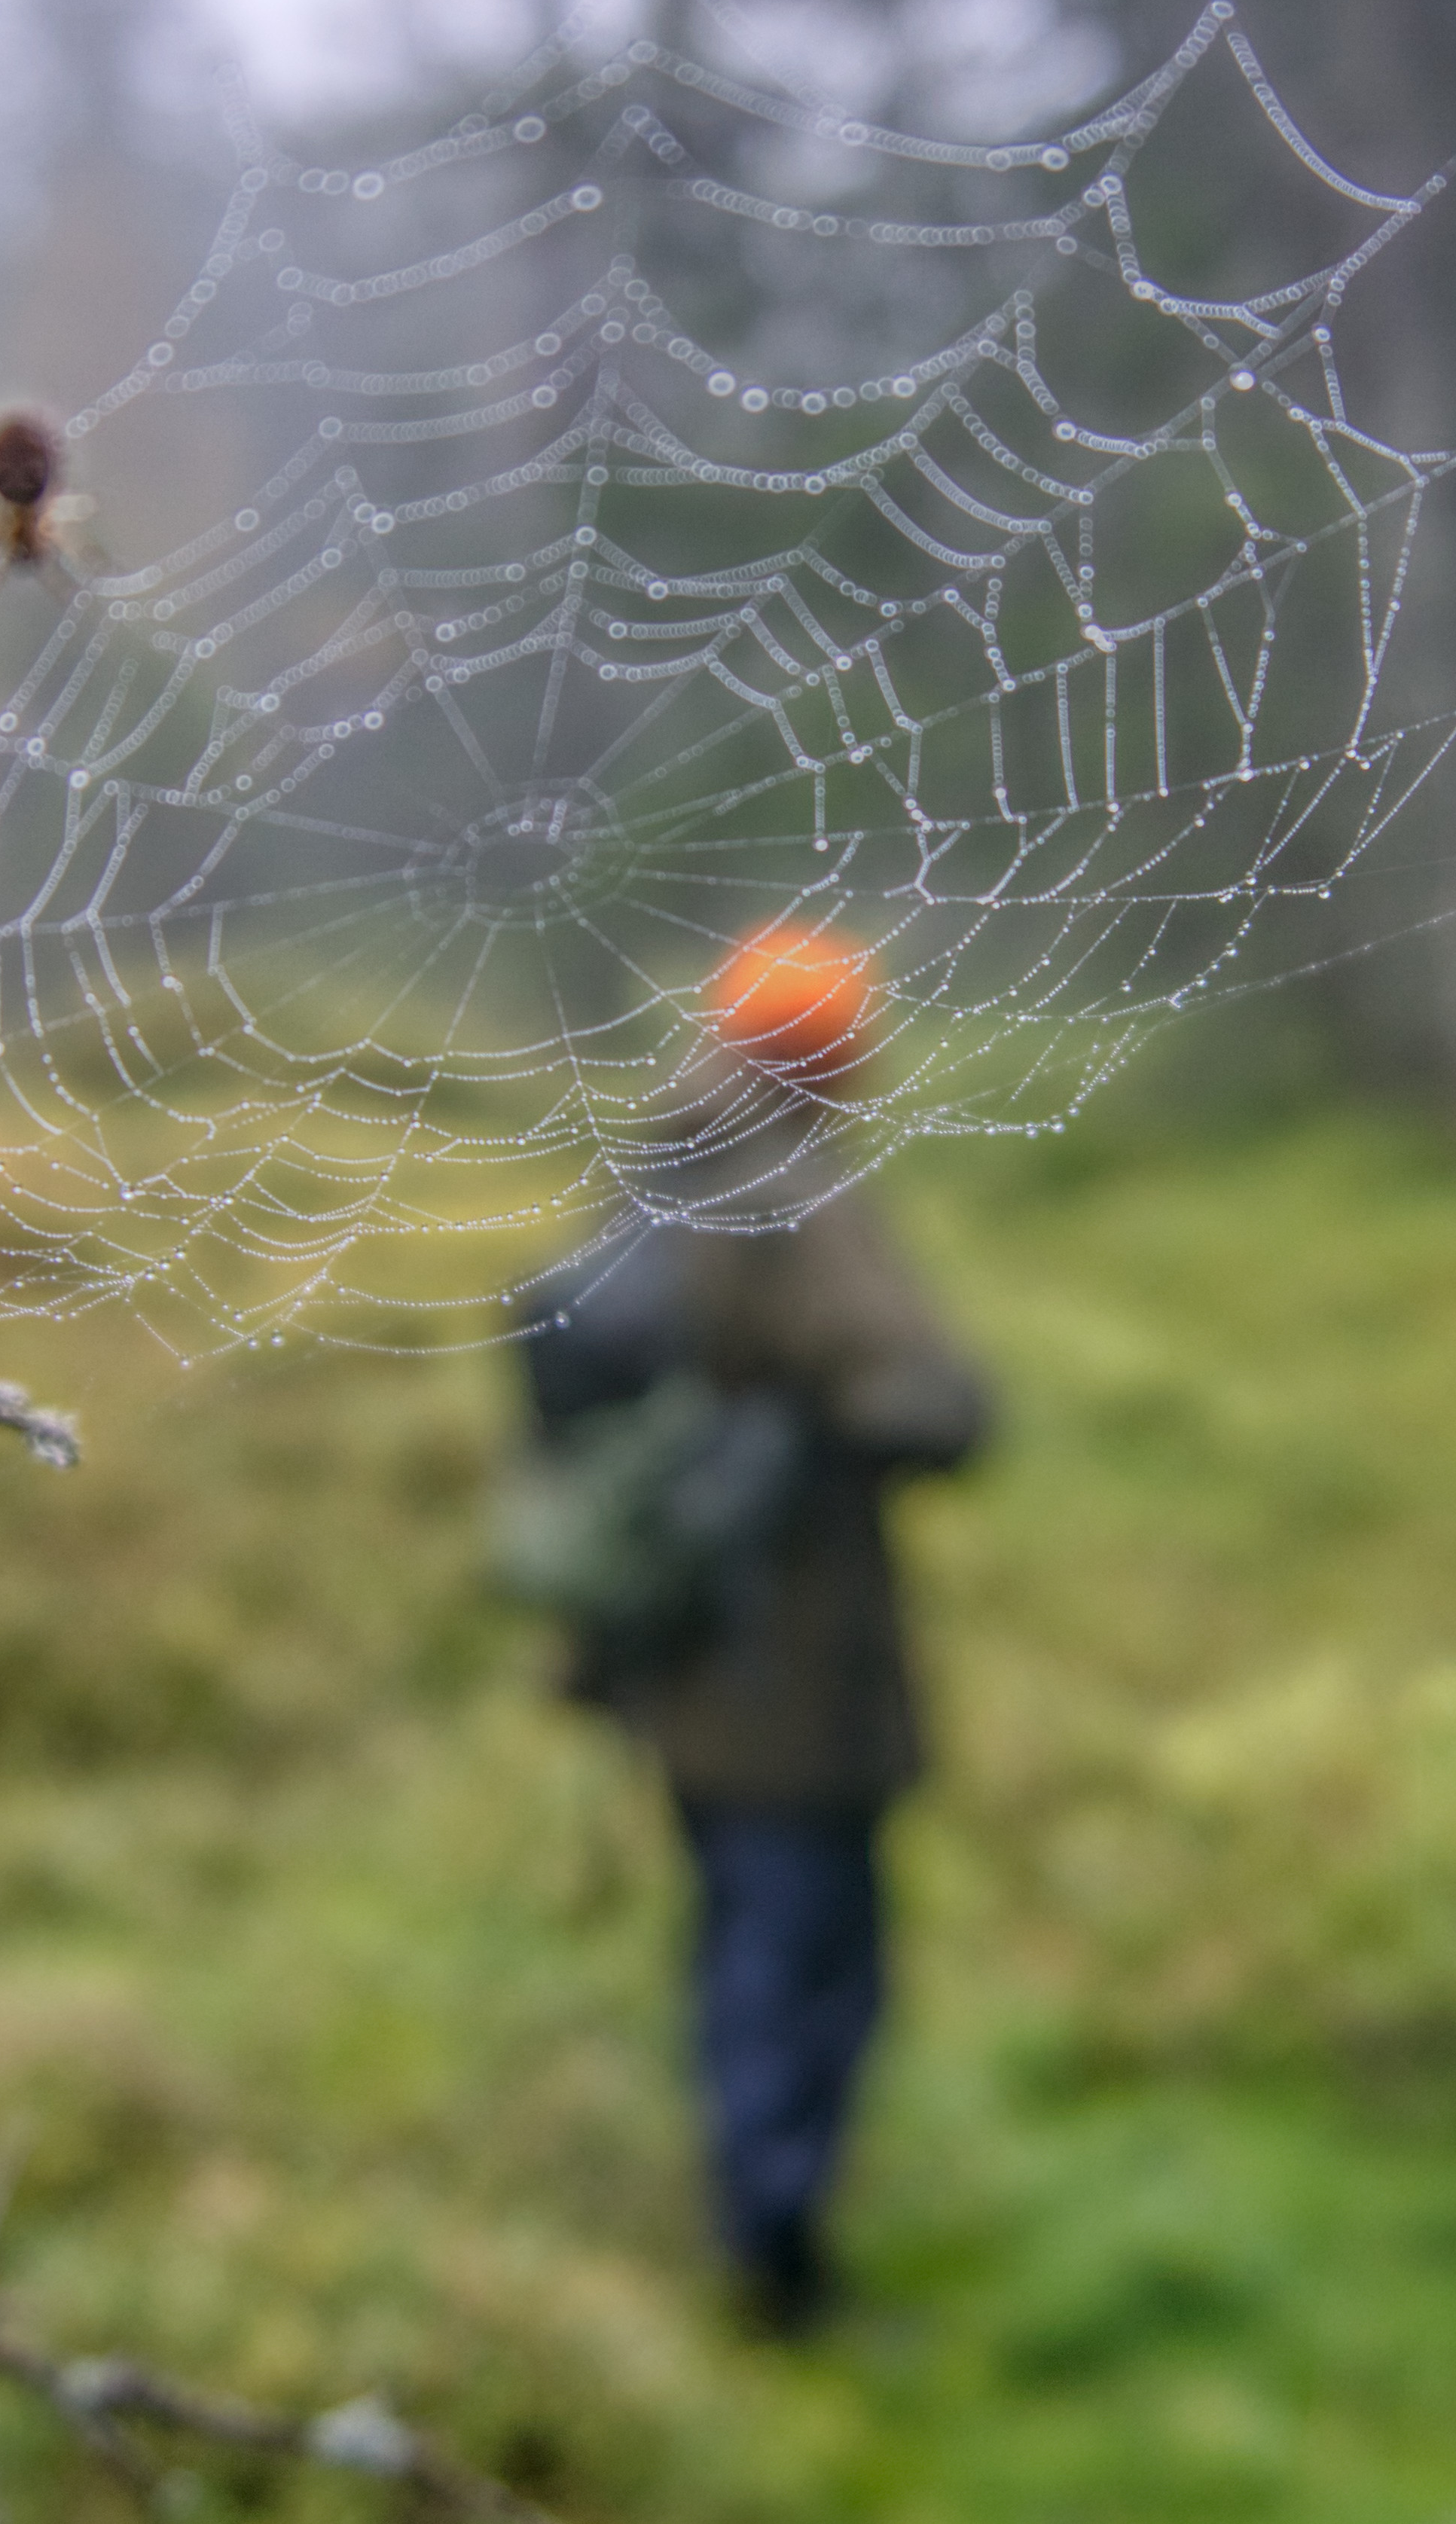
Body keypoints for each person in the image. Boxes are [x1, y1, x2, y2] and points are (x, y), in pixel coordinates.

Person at [511, 927, 989, 2336]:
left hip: (680, 1654)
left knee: (741, 1934)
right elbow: (925, 1394)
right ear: (829, 1057)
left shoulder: (659, 1170)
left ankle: (752, 2215)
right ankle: (778, 2265)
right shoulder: (787, 1190)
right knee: (804, 1953)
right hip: (788, 1661)